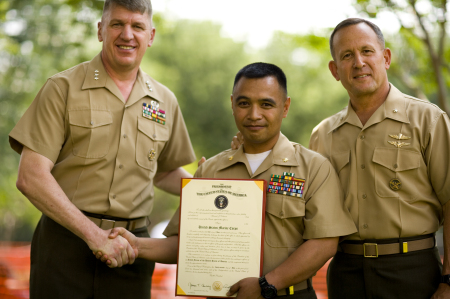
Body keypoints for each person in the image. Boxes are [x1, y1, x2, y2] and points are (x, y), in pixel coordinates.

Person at [99, 62, 357, 299]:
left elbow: (324, 243)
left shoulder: (313, 167)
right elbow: (185, 245)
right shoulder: (209, 171)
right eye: (244, 103)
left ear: (285, 107)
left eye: (266, 104)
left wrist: (267, 284)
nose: (254, 114)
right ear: (232, 103)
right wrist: (136, 244)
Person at [9, 0, 196, 298]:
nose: (127, 34)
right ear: (100, 30)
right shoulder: (62, 88)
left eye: (137, 26)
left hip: (133, 252)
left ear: (151, 36)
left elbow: (165, 172)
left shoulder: (164, 101)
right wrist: (93, 235)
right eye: (117, 24)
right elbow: (30, 176)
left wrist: (214, 191)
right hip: (64, 247)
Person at [308, 18, 450, 298]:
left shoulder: (428, 120)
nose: (358, 62)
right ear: (335, 70)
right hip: (346, 275)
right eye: (347, 56)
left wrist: (449, 281)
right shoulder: (323, 134)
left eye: (367, 51)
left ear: (385, 58)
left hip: (415, 273)